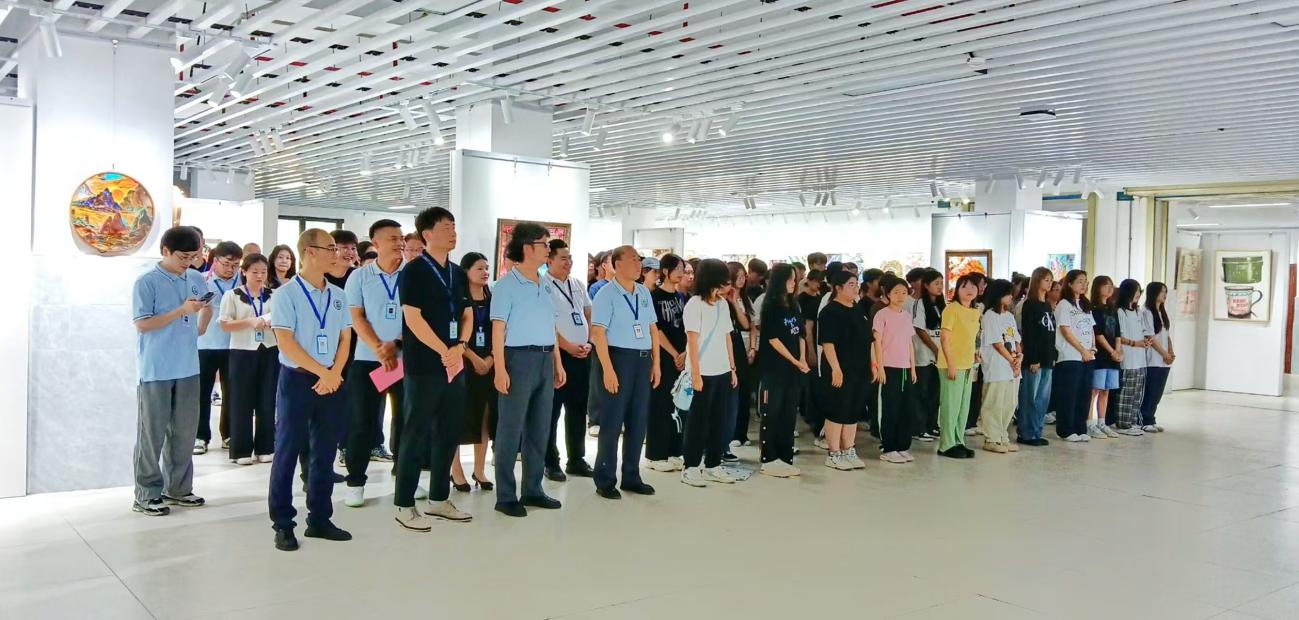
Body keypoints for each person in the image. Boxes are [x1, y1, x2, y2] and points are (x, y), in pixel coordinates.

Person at [267, 228, 354, 551]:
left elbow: (345, 337)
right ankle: (283, 523)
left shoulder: (338, 295)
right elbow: (286, 342)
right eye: (330, 248)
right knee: (288, 451)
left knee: (325, 452)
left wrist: (335, 373)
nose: (337, 254)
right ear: (310, 252)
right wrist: (324, 372)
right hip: (298, 379)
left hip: (331, 379)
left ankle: (320, 518)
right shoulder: (285, 295)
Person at [394, 207, 474, 531]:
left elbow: (467, 314)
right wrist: (445, 350)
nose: (453, 232)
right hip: (424, 366)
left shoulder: (457, 272)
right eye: (446, 227)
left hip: (454, 364)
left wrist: (460, 347)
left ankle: (439, 498)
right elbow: (413, 319)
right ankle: (404, 504)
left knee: (449, 431)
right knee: (416, 433)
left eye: (454, 226)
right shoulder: (413, 271)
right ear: (427, 234)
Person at [488, 223, 567, 517]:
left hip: (545, 358)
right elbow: (498, 330)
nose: (548, 249)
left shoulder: (544, 283)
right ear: (527, 248)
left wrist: (557, 362)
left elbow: (551, 325)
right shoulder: (506, 285)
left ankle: (533, 489)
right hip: (517, 359)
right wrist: (499, 369)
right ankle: (506, 495)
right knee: (510, 429)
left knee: (539, 427)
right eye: (544, 244)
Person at [131, 226, 211, 516]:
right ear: (165, 251)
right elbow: (142, 324)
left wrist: (201, 325)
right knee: (151, 435)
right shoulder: (147, 282)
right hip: (156, 369)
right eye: (182, 257)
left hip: (188, 366)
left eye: (193, 257)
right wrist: (181, 311)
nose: (188, 263)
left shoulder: (195, 277)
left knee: (185, 433)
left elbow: (207, 305)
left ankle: (178, 489)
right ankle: (146, 494)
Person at [340, 220, 406, 508]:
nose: (399, 243)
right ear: (376, 243)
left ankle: (405, 476)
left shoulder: (412, 274)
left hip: (404, 361)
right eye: (393, 238)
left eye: (401, 237)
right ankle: (355, 482)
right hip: (368, 360)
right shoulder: (359, 277)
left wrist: (397, 345)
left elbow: (418, 317)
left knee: (406, 421)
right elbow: (356, 317)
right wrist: (379, 348)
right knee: (361, 423)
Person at [590, 246, 661, 499]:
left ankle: (631, 476)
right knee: (612, 423)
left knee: (638, 421)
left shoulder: (643, 292)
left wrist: (656, 363)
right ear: (617, 264)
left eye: (639, 260)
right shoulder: (606, 294)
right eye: (633, 260)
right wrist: (608, 369)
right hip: (618, 359)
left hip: (642, 360)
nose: (638, 264)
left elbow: (652, 329)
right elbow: (598, 334)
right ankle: (605, 479)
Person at [678, 259, 739, 487]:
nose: (727, 283)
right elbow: (692, 342)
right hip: (702, 372)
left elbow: (727, 337)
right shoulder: (694, 305)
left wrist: (732, 368)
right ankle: (691, 467)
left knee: (719, 421)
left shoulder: (723, 304)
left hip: (722, 370)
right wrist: (695, 373)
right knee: (697, 421)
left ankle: (713, 465)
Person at [218, 253, 278, 466]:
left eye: (263, 272)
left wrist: (270, 322)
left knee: (267, 399)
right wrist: (250, 322)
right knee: (241, 400)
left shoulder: (274, 295)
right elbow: (225, 324)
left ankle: (266, 447)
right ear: (244, 272)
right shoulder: (232, 295)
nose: (260, 276)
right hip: (242, 352)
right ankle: (241, 450)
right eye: (255, 272)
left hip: (269, 349)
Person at [544, 239, 595, 481]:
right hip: (558, 355)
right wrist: (568, 346)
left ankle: (576, 459)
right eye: (563, 258)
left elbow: (588, 313)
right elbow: (548, 323)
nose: (569, 262)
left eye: (570, 258)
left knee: (578, 408)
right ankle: (551, 462)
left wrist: (589, 341)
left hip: (582, 355)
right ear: (549, 260)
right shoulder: (543, 285)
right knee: (552, 411)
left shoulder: (577, 284)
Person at [757, 264, 809, 477]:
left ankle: (785, 457)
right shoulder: (771, 306)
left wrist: (802, 358)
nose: (793, 284)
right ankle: (769, 458)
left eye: (795, 279)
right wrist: (794, 360)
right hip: (774, 368)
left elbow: (801, 334)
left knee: (789, 414)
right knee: (772, 412)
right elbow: (773, 339)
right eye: (789, 279)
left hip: (794, 370)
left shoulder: (793, 305)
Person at [815, 270, 870, 469]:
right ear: (838, 288)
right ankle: (834, 452)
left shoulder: (858, 308)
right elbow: (827, 343)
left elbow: (869, 339)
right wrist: (836, 368)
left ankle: (849, 449)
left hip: (859, 368)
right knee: (837, 409)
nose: (856, 288)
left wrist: (872, 364)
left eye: (857, 284)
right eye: (851, 284)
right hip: (839, 367)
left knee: (853, 410)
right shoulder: (830, 311)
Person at [452, 252, 496, 492]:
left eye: (486, 268)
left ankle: (479, 469)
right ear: (466, 271)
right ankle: (456, 470)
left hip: (490, 363)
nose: (485, 272)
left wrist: (490, 359)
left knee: (485, 417)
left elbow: (502, 331)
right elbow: (455, 335)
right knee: (458, 415)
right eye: (479, 268)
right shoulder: (458, 299)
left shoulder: (493, 299)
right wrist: (473, 358)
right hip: (463, 362)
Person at [195, 241, 243, 454]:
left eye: (235, 265)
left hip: (234, 345)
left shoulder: (242, 281)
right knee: (202, 393)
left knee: (232, 392)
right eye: (226, 264)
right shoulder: (202, 280)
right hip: (205, 344)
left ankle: (229, 434)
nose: (230, 269)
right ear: (215, 261)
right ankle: (200, 436)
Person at [647, 253, 687, 472]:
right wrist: (674, 354)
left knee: (678, 405)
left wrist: (685, 353)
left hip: (682, 357)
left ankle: (674, 451)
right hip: (663, 357)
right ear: (665, 271)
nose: (682, 273)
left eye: (683, 269)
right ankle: (656, 455)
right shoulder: (654, 297)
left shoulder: (682, 297)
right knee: (660, 404)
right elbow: (657, 330)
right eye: (678, 269)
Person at [872, 274, 917, 464]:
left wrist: (913, 367)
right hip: (889, 367)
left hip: (905, 368)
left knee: (905, 408)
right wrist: (879, 367)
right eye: (896, 292)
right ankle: (888, 447)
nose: (900, 296)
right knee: (889, 408)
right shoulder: (881, 315)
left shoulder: (906, 316)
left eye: (904, 292)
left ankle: (902, 446)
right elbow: (876, 342)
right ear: (888, 294)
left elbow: (909, 343)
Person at [936, 274, 980, 459]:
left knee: (963, 406)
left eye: (973, 287)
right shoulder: (951, 309)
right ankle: (946, 444)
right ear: (957, 290)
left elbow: (970, 338)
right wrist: (951, 363)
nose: (969, 290)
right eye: (964, 286)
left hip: (967, 364)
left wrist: (975, 354)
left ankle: (958, 441)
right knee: (950, 405)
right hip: (951, 364)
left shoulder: (975, 312)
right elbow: (945, 338)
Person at [980, 279, 1023, 454]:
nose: (1011, 297)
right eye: (1007, 293)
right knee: (994, 402)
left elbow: (1016, 340)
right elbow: (997, 343)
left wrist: (1019, 357)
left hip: (1012, 367)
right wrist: (1012, 361)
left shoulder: (1009, 316)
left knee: (1010, 403)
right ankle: (991, 438)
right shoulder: (990, 316)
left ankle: (1002, 435)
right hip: (997, 367)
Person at [1053, 270, 1096, 442]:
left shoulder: (1085, 305)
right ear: (1069, 284)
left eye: (1086, 281)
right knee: (1069, 394)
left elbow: (1091, 328)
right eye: (1080, 281)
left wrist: (1092, 348)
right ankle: (1066, 430)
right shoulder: (1064, 304)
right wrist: (1082, 350)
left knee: (1084, 393)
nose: (1084, 285)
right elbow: (1065, 330)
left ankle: (1080, 428)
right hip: (1070, 355)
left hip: (1087, 355)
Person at [1017, 267, 1056, 447]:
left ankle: (1037, 431)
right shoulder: (1030, 305)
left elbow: (1050, 333)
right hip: (1035, 359)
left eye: (1051, 280)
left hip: (1048, 357)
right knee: (1030, 398)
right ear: (1037, 281)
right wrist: (1033, 358)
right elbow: (1030, 333)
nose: (1049, 283)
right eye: (1046, 280)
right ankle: (1026, 433)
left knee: (1042, 399)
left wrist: (1053, 354)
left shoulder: (1047, 305)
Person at [725, 262, 758, 455]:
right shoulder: (723, 299)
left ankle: (742, 432)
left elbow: (750, 325)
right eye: (738, 276)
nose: (742, 279)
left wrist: (753, 347)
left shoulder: (746, 299)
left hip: (745, 349)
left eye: (743, 276)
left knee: (745, 390)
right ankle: (733, 433)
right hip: (731, 349)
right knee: (733, 391)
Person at [1113, 279, 1150, 436]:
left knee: (1137, 393)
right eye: (1135, 290)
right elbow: (1118, 336)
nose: (1138, 294)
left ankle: (1133, 421)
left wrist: (1146, 341)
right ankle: (1123, 424)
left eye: (1139, 290)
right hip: (1128, 358)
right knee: (1126, 393)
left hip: (1140, 359)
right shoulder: (1120, 312)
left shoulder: (1138, 311)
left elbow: (1143, 331)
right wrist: (1135, 343)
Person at [911, 269, 944, 442]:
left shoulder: (941, 305)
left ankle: (932, 425)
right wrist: (935, 349)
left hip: (939, 357)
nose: (940, 287)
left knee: (935, 393)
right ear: (926, 285)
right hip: (923, 356)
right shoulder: (919, 304)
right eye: (936, 283)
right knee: (921, 392)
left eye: (941, 284)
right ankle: (919, 428)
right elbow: (919, 329)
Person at [1088, 276, 1122, 439]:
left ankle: (1102, 422)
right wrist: (1111, 351)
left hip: (1113, 357)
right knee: (1094, 390)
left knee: (1106, 390)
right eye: (1106, 285)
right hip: (1100, 356)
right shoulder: (1094, 309)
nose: (1110, 288)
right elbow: (1098, 334)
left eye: (1111, 285)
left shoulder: (1112, 309)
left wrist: (1118, 351)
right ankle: (1089, 423)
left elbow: (1118, 333)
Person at [1141, 283, 1173, 433]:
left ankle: (1151, 418)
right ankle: (1144, 419)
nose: (1164, 295)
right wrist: (1165, 354)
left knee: (1158, 393)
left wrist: (1170, 352)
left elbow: (1167, 335)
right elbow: (1150, 337)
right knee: (1150, 390)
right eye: (1162, 292)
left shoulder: (1162, 312)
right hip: (1153, 359)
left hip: (1164, 360)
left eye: (1165, 292)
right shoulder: (1146, 312)